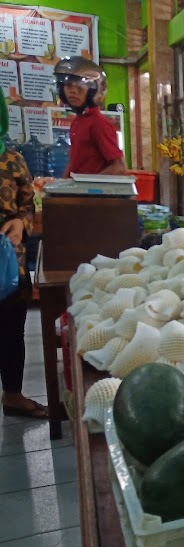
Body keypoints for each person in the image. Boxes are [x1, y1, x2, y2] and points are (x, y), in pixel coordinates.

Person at [0, 92, 47, 418]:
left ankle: (13, 395)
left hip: (9, 262)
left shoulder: (12, 159)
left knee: (11, 332)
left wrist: (21, 222)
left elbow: (28, 203)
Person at [54, 56, 126, 176]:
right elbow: (75, 163)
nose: (72, 91)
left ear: (93, 90)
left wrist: (87, 185)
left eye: (79, 86)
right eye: (68, 85)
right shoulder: (77, 121)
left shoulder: (99, 123)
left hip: (91, 194)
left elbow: (119, 167)